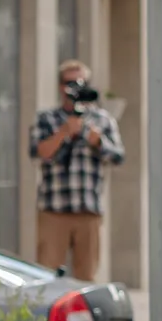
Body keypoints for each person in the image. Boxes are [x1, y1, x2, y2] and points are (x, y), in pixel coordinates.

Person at [29, 56, 125, 277]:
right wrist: (64, 132)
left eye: (80, 83)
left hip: (88, 210)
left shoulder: (103, 120)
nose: (74, 88)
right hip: (54, 210)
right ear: (60, 86)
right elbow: (38, 153)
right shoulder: (47, 118)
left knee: (87, 276)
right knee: (47, 275)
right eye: (69, 83)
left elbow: (118, 156)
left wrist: (97, 141)